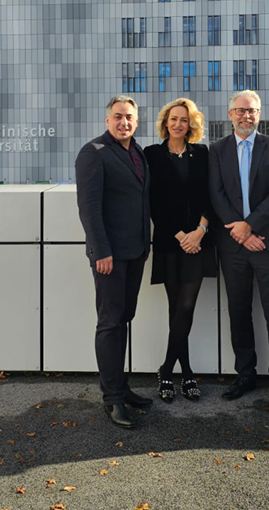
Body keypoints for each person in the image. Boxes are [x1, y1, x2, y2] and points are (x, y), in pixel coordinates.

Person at [209, 90, 269, 413]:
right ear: (230, 114)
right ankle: (245, 375)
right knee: (238, 312)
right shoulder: (217, 151)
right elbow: (216, 195)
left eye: (253, 111)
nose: (247, 116)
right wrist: (241, 231)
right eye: (241, 110)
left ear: (260, 114)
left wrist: (251, 227)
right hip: (234, 246)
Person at [75, 95, 153, 429]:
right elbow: (89, 208)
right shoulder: (94, 153)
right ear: (107, 120)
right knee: (109, 322)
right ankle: (113, 400)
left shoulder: (136, 152)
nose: (124, 122)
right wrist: (100, 250)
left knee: (123, 318)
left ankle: (121, 387)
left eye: (130, 117)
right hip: (110, 255)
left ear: (137, 121)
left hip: (135, 250)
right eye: (118, 117)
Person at [144, 98, 218, 403]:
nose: (178, 124)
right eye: (173, 119)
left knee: (185, 307)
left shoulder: (202, 153)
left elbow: (211, 194)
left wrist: (199, 231)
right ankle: (185, 371)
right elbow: (153, 202)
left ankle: (166, 370)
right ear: (165, 123)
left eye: (184, 120)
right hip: (168, 241)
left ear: (191, 125)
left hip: (199, 241)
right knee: (176, 308)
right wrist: (180, 236)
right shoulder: (151, 154)